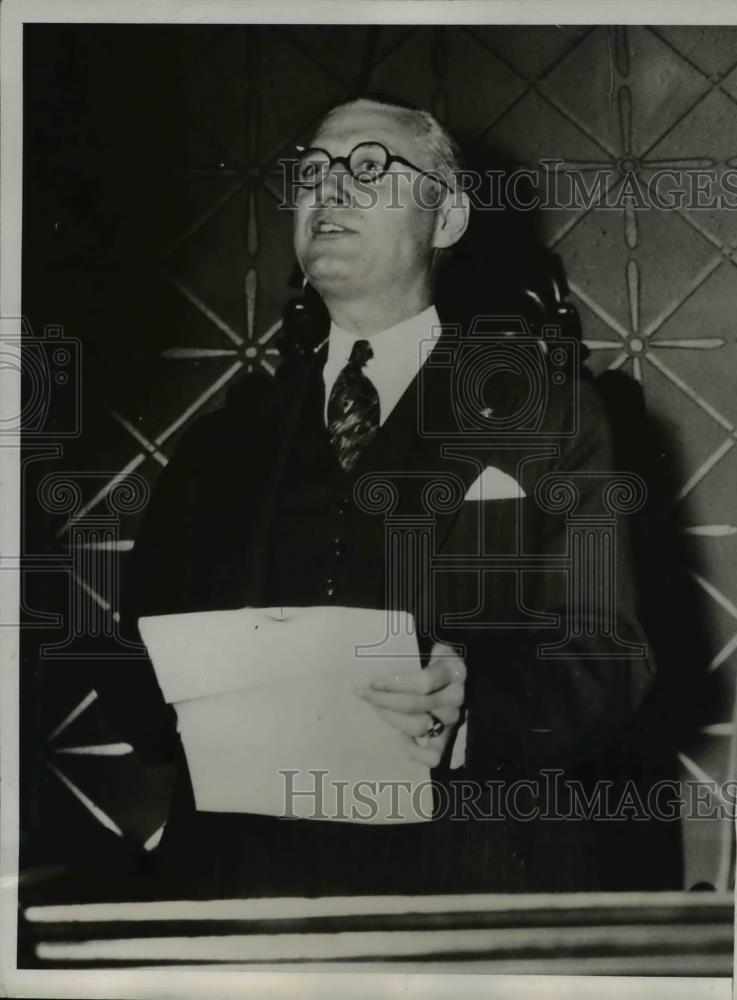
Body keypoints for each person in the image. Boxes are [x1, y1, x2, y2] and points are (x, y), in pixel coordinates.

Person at [100, 95, 655, 898]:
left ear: (450, 218)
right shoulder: (225, 440)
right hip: (246, 894)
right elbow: (133, 670)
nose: (330, 189)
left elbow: (610, 658)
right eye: (315, 170)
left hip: (466, 890)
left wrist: (474, 708)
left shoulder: (546, 407)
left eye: (370, 168)